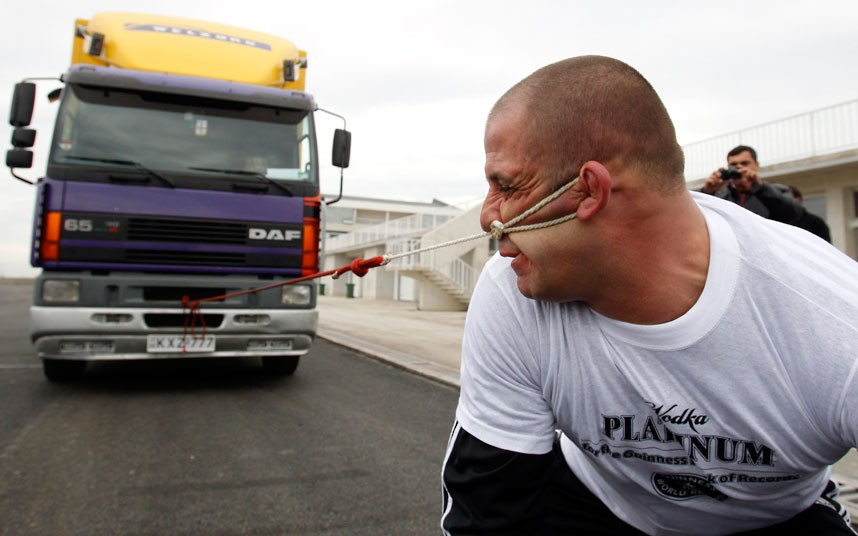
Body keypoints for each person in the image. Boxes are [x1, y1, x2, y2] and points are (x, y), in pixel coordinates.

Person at [441, 55, 858, 535]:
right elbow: (490, 513)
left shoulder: (831, 318)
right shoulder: (514, 289)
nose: (487, 215)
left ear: (590, 191)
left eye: (506, 185)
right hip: (594, 504)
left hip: (775, 518)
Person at [701, 145, 807, 226]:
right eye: (733, 165)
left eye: (744, 163)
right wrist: (707, 192)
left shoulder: (777, 191)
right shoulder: (720, 198)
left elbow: (794, 214)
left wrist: (759, 187)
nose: (739, 168)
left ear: (756, 165)